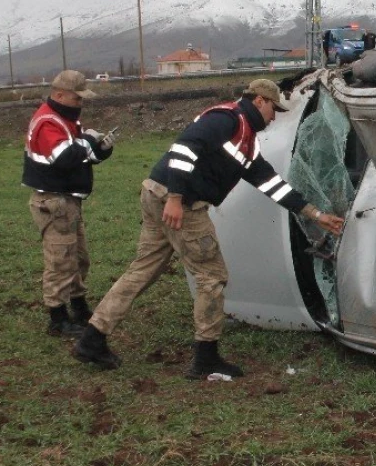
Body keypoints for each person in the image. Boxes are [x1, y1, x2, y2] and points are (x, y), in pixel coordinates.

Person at [72, 79, 345, 378]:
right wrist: (176, 198)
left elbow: (270, 184)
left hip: (156, 193)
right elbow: (184, 150)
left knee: (143, 269)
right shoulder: (226, 119)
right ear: (259, 101)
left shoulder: (246, 140)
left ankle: (92, 338)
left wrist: (314, 214)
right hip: (179, 203)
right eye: (273, 109)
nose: (275, 117)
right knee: (212, 277)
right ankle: (206, 358)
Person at [24, 70, 116, 338]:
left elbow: (79, 157)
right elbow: (64, 157)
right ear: (59, 95)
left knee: (78, 258)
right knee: (60, 261)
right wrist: (88, 140)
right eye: (78, 98)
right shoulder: (48, 122)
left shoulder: (63, 119)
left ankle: (78, 306)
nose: (81, 103)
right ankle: (58, 317)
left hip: (67, 201)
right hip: (54, 202)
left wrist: (101, 150)